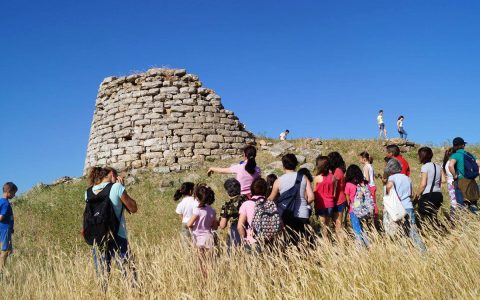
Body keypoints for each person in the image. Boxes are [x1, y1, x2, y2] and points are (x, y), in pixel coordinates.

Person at [86, 167, 138, 288]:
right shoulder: (116, 187)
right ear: (110, 175)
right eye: (115, 175)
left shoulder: (88, 192)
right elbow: (133, 208)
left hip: (97, 238)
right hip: (117, 236)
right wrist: (122, 188)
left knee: (102, 276)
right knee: (129, 274)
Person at [268, 153, 315, 246]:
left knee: (289, 244)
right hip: (302, 214)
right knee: (304, 244)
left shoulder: (278, 181)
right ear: (296, 164)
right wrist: (303, 204)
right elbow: (311, 197)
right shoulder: (303, 177)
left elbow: (270, 199)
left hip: (286, 215)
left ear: (283, 166)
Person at [385, 159, 426, 252]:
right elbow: (411, 193)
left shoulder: (392, 178)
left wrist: (388, 195)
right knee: (412, 230)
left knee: (400, 232)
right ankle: (422, 251)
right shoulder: (407, 178)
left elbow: (388, 186)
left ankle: (404, 253)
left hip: (398, 208)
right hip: (408, 206)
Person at [187, 184, 217, 277]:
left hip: (198, 238)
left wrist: (192, 227)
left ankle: (203, 279)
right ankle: (210, 277)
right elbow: (215, 226)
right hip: (208, 237)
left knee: (200, 262)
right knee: (209, 262)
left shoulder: (197, 210)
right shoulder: (212, 210)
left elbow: (189, 224)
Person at [448, 137, 480, 214]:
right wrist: (477, 173)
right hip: (472, 181)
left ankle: (464, 222)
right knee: (473, 202)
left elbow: (450, 166)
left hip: (461, 181)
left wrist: (455, 175)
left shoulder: (455, 155)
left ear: (454, 146)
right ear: (463, 145)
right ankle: (474, 221)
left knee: (462, 204)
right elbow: (479, 163)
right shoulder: (469, 154)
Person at [413, 147, 443, 228]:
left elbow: (423, 184)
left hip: (428, 195)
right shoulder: (438, 166)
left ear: (422, 156)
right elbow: (443, 180)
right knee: (433, 216)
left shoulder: (425, 167)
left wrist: (416, 197)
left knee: (423, 216)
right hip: (438, 195)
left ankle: (426, 233)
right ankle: (439, 232)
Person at [238, 178, 268, 253]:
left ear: (251, 189)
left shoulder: (246, 204)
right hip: (269, 240)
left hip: (252, 240)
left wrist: (244, 240)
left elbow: (240, 226)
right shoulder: (270, 203)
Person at [344, 165, 371, 247]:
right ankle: (368, 245)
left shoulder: (348, 185)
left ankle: (359, 248)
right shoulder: (361, 184)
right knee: (362, 228)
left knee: (356, 230)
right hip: (362, 210)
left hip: (353, 210)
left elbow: (348, 200)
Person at [219, 178, 246, 250]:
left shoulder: (227, 205)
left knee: (235, 251)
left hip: (235, 229)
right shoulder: (245, 199)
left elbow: (222, 225)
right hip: (248, 227)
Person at [313, 156, 335, 240]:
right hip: (330, 204)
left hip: (320, 204)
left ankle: (326, 245)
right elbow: (334, 193)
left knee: (323, 227)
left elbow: (315, 192)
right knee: (327, 225)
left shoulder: (317, 178)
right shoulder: (333, 177)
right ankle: (328, 242)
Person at [328, 152, 348, 241]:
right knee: (337, 223)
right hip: (340, 199)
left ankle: (340, 245)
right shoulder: (340, 170)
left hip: (338, 201)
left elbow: (334, 189)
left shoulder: (337, 172)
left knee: (338, 224)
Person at [0, 182, 17, 275]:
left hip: (6, 229)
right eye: (14, 193)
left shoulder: (1, 201)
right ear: (9, 191)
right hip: (4, 230)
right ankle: (1, 272)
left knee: (8, 250)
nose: (14, 195)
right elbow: (1, 217)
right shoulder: (6, 204)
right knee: (5, 251)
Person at [359, 152, 378, 219]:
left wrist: (362, 190)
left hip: (369, 187)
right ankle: (374, 218)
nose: (359, 160)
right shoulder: (370, 165)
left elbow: (367, 179)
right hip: (373, 186)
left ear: (364, 159)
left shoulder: (366, 167)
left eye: (360, 159)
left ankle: (372, 217)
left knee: (370, 204)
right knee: (373, 203)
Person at [442, 148, 457, 216]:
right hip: (454, 182)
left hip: (449, 183)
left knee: (453, 201)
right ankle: (453, 218)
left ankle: (452, 217)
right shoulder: (452, 162)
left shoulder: (446, 162)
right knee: (455, 202)